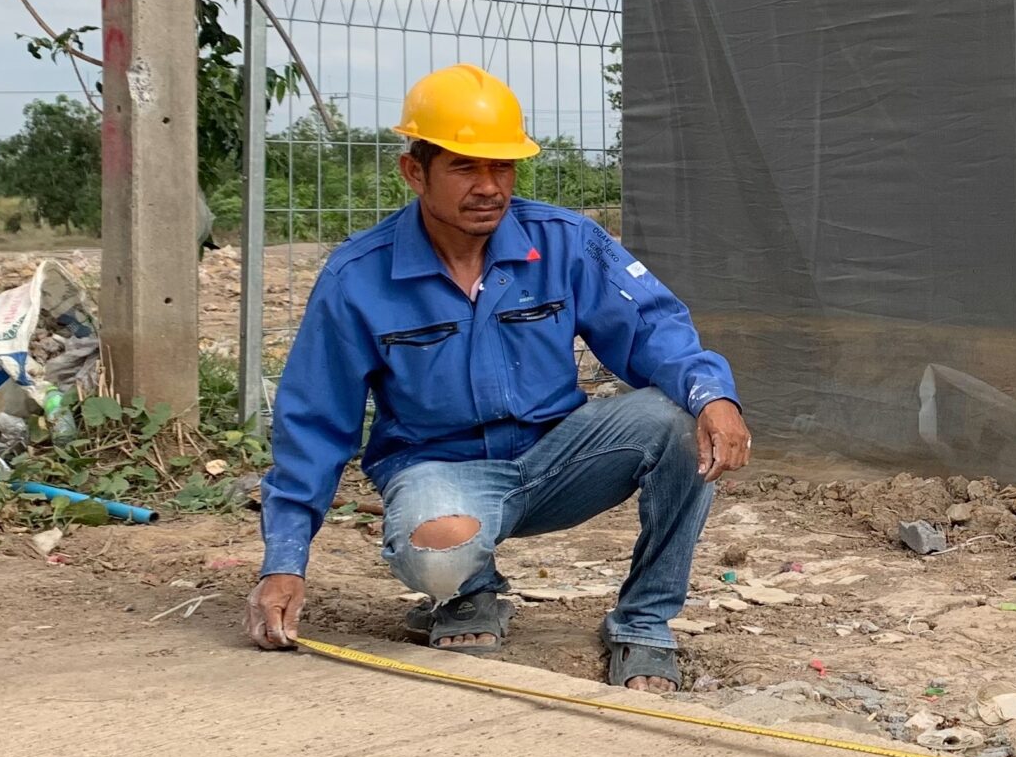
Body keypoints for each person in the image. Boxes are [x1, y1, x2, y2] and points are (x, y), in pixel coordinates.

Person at [242, 64, 751, 693]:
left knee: (678, 420)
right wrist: (284, 562)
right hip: (440, 470)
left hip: (561, 459)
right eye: (464, 167)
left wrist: (712, 394)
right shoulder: (357, 277)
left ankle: (644, 620)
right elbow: (314, 424)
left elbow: (652, 327)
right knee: (439, 553)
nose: (488, 187)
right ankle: (468, 592)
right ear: (414, 171)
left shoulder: (565, 242)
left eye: (502, 167)